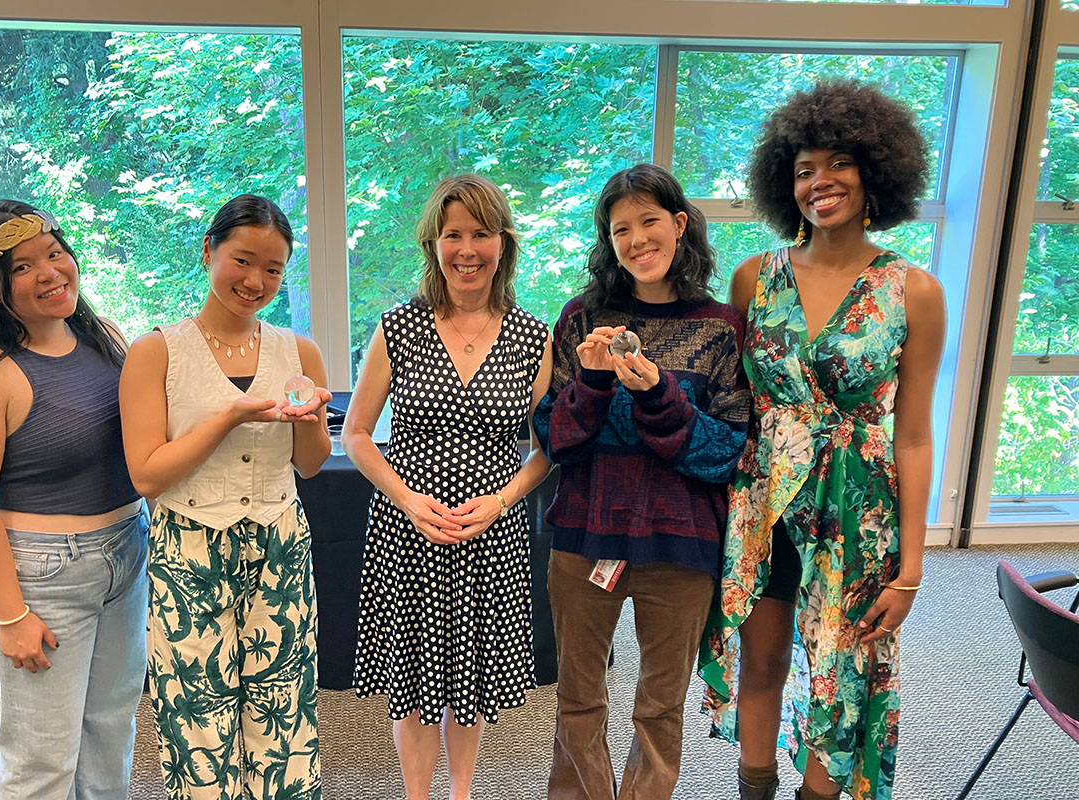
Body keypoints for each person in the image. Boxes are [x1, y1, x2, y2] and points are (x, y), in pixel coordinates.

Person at [699, 81, 948, 800]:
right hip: (764, 500)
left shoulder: (913, 291)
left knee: (842, 667)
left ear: (877, 171)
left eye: (838, 163)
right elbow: (731, 404)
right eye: (804, 168)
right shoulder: (755, 278)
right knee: (765, 655)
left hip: (857, 505)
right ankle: (755, 787)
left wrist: (912, 566)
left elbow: (915, 435)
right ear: (785, 181)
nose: (820, 182)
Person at [532, 163, 750, 800]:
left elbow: (726, 452)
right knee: (578, 699)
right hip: (584, 534)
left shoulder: (721, 328)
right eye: (620, 228)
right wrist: (594, 382)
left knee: (660, 707)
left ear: (679, 225)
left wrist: (659, 395)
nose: (637, 239)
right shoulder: (580, 318)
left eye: (649, 221)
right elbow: (556, 438)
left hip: (680, 541)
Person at [344, 174, 552, 800]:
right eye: (452, 234)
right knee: (410, 682)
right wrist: (406, 499)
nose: (467, 249)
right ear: (432, 244)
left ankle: (460, 791)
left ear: (503, 244)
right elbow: (355, 435)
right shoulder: (398, 327)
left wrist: (500, 501)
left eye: (480, 234)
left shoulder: (533, 335)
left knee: (472, 687)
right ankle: (416, 794)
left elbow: (548, 449)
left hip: (492, 533)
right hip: (407, 532)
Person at [0, 200, 148, 800]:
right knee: (42, 759)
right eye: (23, 266)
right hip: (42, 573)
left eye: (55, 254)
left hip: (127, 551)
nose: (51, 273)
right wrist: (10, 615)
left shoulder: (104, 339)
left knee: (111, 734)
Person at [118, 194, 331, 800]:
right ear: (209, 250)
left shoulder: (300, 350)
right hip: (188, 544)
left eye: (273, 269)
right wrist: (230, 417)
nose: (255, 280)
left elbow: (311, 464)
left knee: (284, 703)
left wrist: (309, 417)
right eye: (243, 260)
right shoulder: (157, 351)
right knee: (195, 710)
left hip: (280, 541)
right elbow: (147, 475)